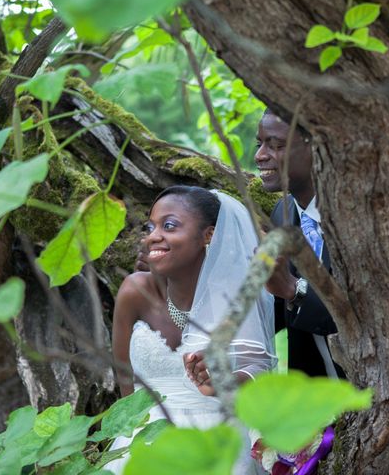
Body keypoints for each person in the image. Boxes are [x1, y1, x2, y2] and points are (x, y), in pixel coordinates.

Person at [107, 185, 276, 474]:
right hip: (144, 441)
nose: (153, 236)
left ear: (208, 235)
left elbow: (258, 368)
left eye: (169, 225)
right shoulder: (134, 290)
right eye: (151, 226)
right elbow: (125, 381)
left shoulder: (235, 296)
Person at [255, 109, 344, 379]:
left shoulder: (354, 219)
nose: (260, 156)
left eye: (277, 145)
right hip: (316, 391)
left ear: (319, 150)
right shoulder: (282, 214)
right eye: (259, 144)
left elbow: (362, 316)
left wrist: (294, 289)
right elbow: (280, 313)